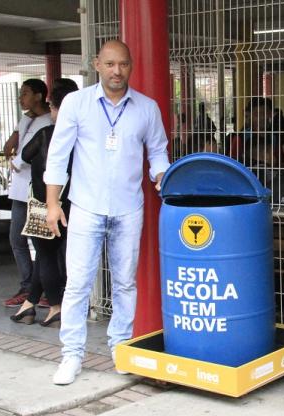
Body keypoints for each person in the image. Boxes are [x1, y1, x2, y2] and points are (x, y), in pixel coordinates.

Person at [44, 40, 170, 385]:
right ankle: (71, 356)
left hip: (129, 209)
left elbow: (158, 152)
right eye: (110, 64)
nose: (117, 71)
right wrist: (53, 203)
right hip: (85, 207)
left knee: (125, 283)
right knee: (79, 284)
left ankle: (120, 348)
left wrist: (162, 175)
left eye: (124, 64)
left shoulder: (146, 108)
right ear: (96, 64)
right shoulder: (77, 103)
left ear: (131, 66)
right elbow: (58, 156)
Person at [9, 79, 79, 327]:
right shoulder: (82, 138)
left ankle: (56, 307)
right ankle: (29, 305)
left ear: (56, 108)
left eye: (52, 108)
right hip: (73, 204)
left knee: (46, 255)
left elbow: (23, 157)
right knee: (49, 255)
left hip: (43, 204)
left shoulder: (46, 134)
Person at [3, 79, 53, 308]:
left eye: (25, 93)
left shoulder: (48, 121)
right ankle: (28, 286)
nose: (21, 98)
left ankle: (42, 288)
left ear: (39, 96)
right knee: (17, 240)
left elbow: (26, 157)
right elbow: (11, 143)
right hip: (19, 191)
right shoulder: (26, 119)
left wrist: (17, 158)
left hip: (38, 192)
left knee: (41, 243)